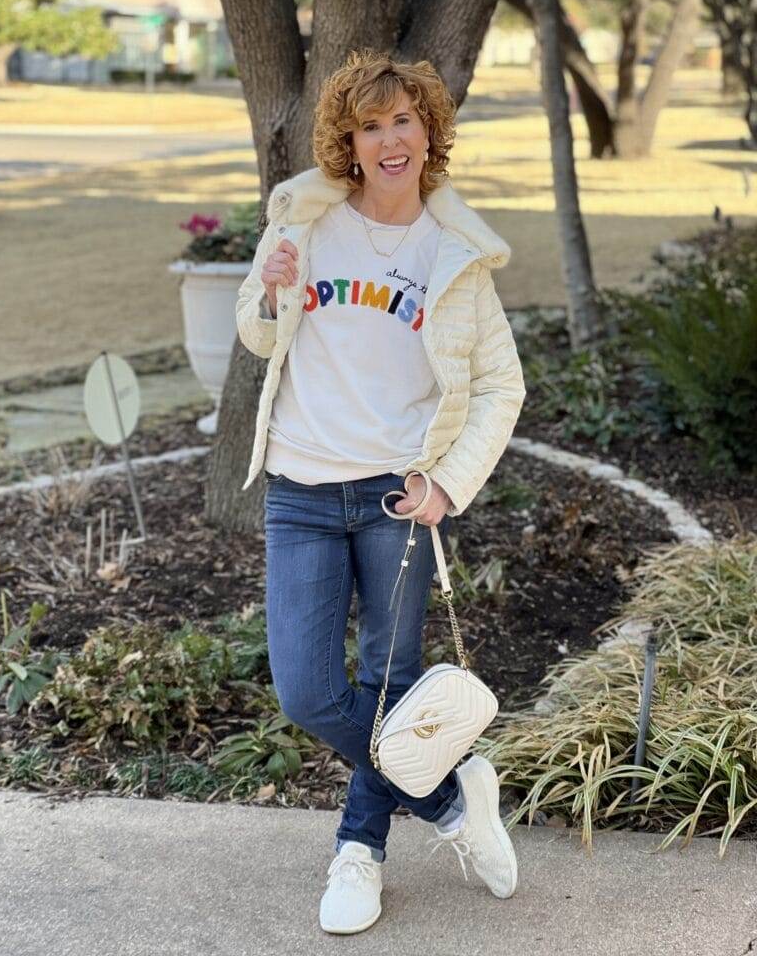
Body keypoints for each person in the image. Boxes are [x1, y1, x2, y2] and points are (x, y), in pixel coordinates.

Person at [234, 48, 526, 935]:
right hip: (303, 490)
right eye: (371, 125)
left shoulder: (457, 254)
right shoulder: (305, 220)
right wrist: (269, 292)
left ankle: (358, 852)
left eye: (405, 121)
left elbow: (501, 388)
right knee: (309, 692)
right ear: (348, 142)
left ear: (428, 133)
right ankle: (448, 797)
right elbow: (257, 334)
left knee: (392, 684)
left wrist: (447, 484)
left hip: (399, 502)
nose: (390, 139)